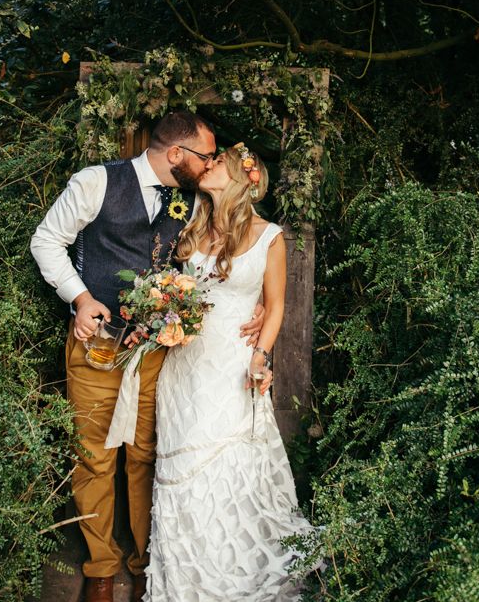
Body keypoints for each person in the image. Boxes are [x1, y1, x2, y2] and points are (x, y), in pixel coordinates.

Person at [30, 112, 263, 602]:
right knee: (94, 457)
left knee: (146, 458)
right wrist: (79, 297)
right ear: (176, 154)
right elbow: (47, 240)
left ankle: (145, 563)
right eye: (203, 156)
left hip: (160, 354)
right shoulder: (96, 182)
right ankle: (99, 568)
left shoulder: (194, 197)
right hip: (98, 346)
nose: (209, 166)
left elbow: (233, 247)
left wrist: (261, 297)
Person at [144, 143, 313, 601]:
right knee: (182, 463)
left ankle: (236, 572)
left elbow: (276, 306)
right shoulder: (190, 227)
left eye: (217, 161)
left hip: (233, 364)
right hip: (184, 365)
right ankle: (189, 576)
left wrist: (261, 355)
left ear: (243, 177)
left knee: (229, 461)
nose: (209, 165)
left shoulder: (269, 236)